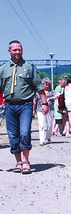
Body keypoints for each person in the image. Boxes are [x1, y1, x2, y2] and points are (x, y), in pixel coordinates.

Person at [0, 40, 48, 174]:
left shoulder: (29, 67)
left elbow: (39, 87)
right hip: (9, 105)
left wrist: (44, 103)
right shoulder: (3, 69)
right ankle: (18, 162)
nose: (17, 52)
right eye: (14, 50)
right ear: (9, 51)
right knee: (13, 135)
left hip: (25, 105)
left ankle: (26, 161)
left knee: (24, 132)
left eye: (19, 49)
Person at [33, 77, 59, 145]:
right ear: (43, 84)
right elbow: (35, 100)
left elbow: (57, 96)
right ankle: (42, 140)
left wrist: (50, 98)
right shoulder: (38, 92)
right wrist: (33, 110)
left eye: (48, 84)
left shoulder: (51, 91)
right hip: (40, 109)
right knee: (41, 124)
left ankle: (47, 137)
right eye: (45, 84)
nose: (47, 85)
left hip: (50, 109)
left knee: (49, 125)